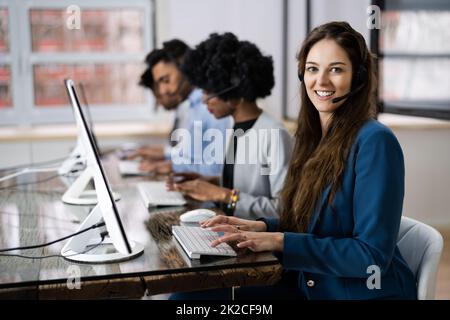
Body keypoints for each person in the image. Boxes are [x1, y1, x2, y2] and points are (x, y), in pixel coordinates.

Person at [171, 22, 417, 300]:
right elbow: (312, 224)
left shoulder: (375, 142)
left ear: (358, 77)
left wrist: (279, 241)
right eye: (312, 69)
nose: (321, 82)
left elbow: (370, 256)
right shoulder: (312, 138)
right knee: (187, 297)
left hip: (352, 293)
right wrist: (262, 226)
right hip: (308, 284)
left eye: (335, 69)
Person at [167, 33, 293, 220]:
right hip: (229, 229)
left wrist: (221, 194)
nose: (203, 99)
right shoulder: (235, 128)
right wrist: (207, 183)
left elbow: (282, 210)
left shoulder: (274, 134)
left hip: (258, 243)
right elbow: (245, 184)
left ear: (236, 95)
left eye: (209, 91)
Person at [130, 39, 231, 175]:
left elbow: (216, 168)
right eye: (159, 84)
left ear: (184, 66)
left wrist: (172, 166)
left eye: (166, 80)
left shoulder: (211, 107)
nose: (163, 91)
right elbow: (190, 155)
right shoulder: (193, 106)